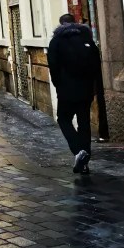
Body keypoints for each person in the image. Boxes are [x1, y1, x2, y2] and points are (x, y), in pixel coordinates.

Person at [46, 13, 101, 175]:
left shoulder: (56, 42)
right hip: (85, 90)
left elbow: (53, 67)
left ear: (60, 24)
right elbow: (96, 65)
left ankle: (78, 151)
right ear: (75, 23)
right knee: (84, 122)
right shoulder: (87, 40)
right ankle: (84, 163)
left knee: (63, 119)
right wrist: (92, 86)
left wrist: (58, 85)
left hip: (66, 90)